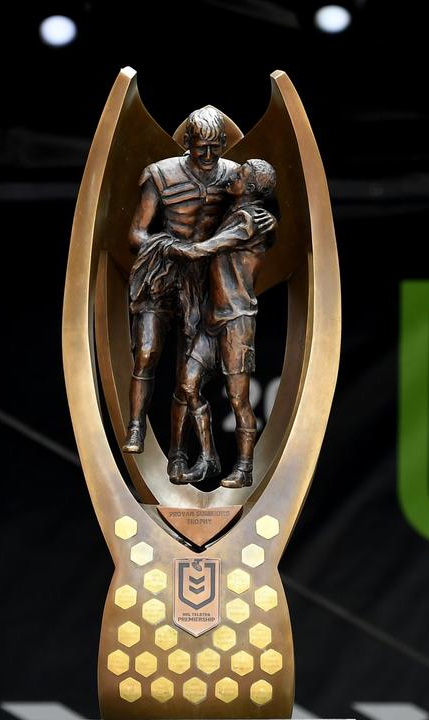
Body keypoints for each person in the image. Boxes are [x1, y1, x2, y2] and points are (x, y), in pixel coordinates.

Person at [123, 105, 241, 484]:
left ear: (224, 143)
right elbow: (136, 234)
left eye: (214, 148)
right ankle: (136, 424)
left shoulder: (235, 177)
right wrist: (172, 247)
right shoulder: (160, 174)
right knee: (146, 351)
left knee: (188, 376)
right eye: (199, 147)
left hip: (204, 281)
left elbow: (251, 223)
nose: (207, 156)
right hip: (161, 271)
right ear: (186, 142)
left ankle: (177, 454)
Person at [168, 159, 277, 487]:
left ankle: (244, 468)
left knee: (238, 399)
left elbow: (210, 247)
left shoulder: (254, 220)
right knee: (187, 385)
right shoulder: (235, 213)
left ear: (253, 187)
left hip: (236, 321)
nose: (235, 176)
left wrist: (178, 247)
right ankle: (209, 457)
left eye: (241, 174)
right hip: (213, 319)